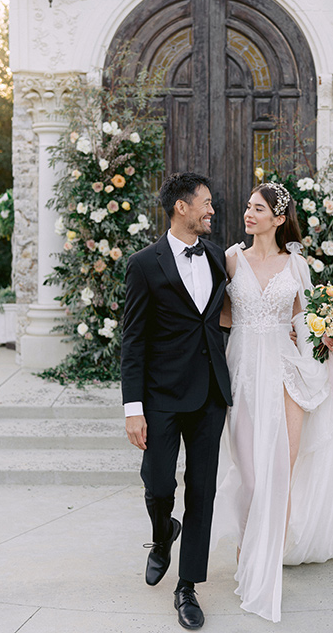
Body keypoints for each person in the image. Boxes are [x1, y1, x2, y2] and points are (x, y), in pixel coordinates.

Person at [211, 182, 333, 623]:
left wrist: (327, 343)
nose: (249, 214)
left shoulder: (296, 265)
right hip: (243, 372)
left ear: (279, 219)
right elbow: (221, 315)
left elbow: (307, 320)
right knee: (250, 474)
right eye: (248, 207)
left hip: (286, 375)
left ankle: (266, 565)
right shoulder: (230, 259)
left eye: (258, 209)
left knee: (281, 471)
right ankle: (248, 553)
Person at [121, 171, 232, 630]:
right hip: (162, 397)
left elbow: (224, 317)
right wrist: (133, 409)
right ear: (181, 207)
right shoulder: (144, 263)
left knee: (202, 493)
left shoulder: (218, 257)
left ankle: (187, 587)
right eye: (205, 203)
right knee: (158, 485)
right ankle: (162, 532)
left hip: (209, 393)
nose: (212, 210)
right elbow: (132, 340)